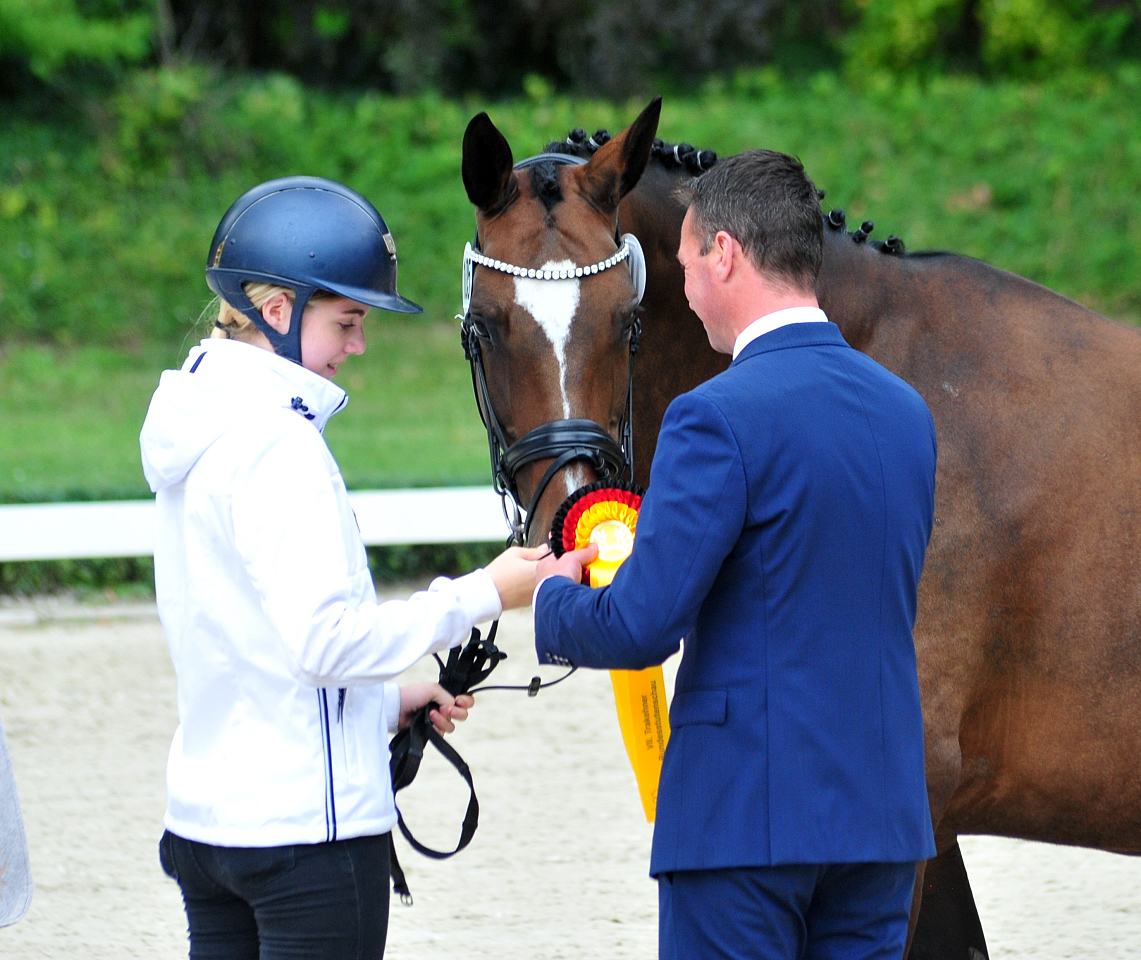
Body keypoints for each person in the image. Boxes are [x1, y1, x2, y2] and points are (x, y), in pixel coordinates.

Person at [534, 150, 938, 960]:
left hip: (743, 815)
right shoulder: (905, 412)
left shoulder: (711, 418)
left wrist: (552, 597)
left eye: (683, 264)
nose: (682, 289)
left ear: (723, 254)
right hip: (881, 816)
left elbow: (642, 624)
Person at [140, 176, 542, 960]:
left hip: (209, 825)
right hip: (304, 840)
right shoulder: (278, 444)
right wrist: (485, 592)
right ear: (280, 311)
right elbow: (327, 644)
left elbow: (247, 636)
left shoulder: (198, 422)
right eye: (348, 321)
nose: (358, 345)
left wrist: (382, 702)